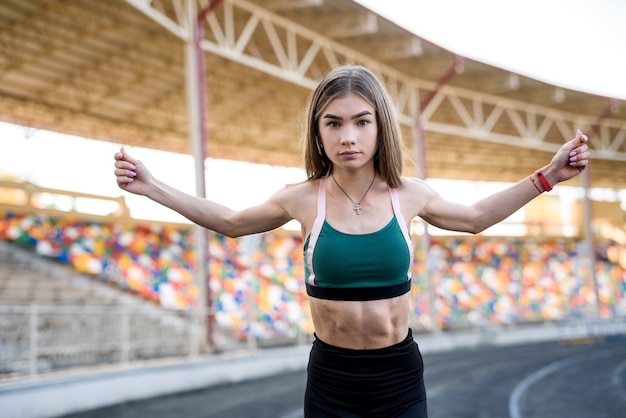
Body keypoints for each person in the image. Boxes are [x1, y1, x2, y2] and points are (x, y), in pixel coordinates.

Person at [114, 64, 590, 417]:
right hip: (331, 377)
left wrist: (549, 176)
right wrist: (152, 188)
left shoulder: (409, 194)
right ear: (317, 133)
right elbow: (234, 221)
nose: (348, 136)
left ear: (380, 126)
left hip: (399, 376)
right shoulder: (301, 199)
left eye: (362, 121)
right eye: (333, 123)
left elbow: (474, 218)